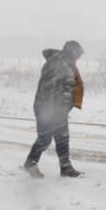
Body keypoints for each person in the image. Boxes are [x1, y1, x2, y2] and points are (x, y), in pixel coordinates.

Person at [23, 40, 85, 178]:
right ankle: (30, 163)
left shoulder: (67, 64)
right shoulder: (57, 64)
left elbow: (68, 87)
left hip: (58, 109)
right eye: (78, 55)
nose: (79, 58)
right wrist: (54, 109)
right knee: (45, 138)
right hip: (48, 108)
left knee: (63, 138)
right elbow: (49, 88)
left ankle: (65, 168)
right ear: (72, 52)